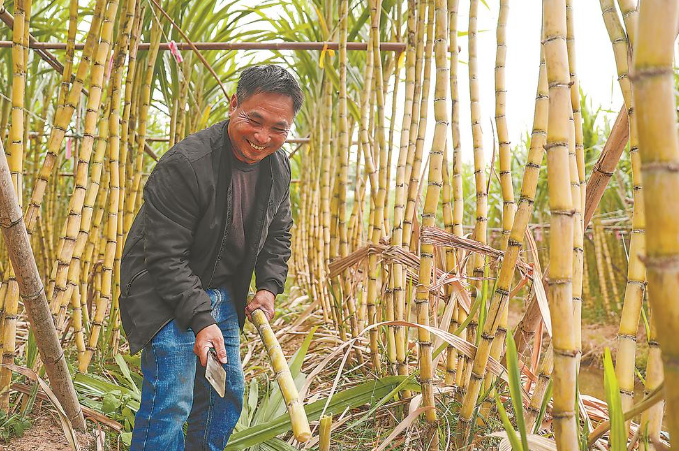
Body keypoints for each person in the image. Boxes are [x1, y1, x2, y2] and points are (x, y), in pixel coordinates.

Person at [119, 64, 302, 451]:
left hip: (221, 291)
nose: (262, 136)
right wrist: (201, 320)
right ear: (234, 103)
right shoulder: (186, 165)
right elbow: (165, 257)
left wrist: (269, 287)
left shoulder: (278, 166)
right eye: (254, 120)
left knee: (224, 393)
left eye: (278, 129)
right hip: (162, 290)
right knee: (173, 396)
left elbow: (278, 232)